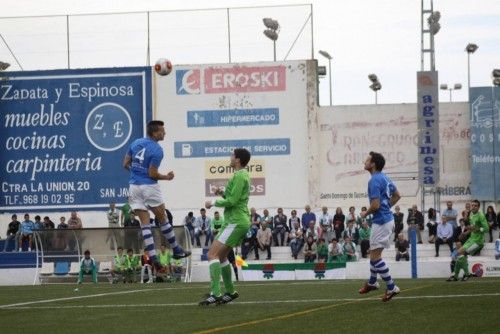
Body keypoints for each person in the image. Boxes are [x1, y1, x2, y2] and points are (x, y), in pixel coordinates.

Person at [123, 120, 190, 270]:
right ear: (155, 133)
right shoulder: (157, 150)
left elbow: (125, 163)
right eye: (162, 131)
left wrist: (136, 173)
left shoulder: (136, 143)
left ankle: (153, 257)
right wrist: (167, 177)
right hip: (149, 187)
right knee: (163, 219)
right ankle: (177, 250)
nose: (164, 133)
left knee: (145, 223)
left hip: (134, 186)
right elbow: (152, 173)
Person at [200, 148, 251, 305]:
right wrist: (221, 193)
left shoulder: (240, 175)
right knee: (221, 257)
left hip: (235, 221)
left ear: (237, 159)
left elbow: (233, 201)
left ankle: (215, 293)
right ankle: (230, 291)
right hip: (235, 221)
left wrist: (213, 202)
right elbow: (232, 198)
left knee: (212, 255)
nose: (230, 157)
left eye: (232, 155)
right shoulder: (240, 175)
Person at [358, 151, 401, 302]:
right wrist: (387, 206)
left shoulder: (374, 180)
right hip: (385, 220)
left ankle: (391, 287)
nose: (364, 161)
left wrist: (365, 214)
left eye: (367, 159)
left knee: (375, 258)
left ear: (373, 164)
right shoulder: (385, 177)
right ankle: (372, 282)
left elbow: (375, 205)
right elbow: (397, 195)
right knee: (374, 255)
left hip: (381, 221)